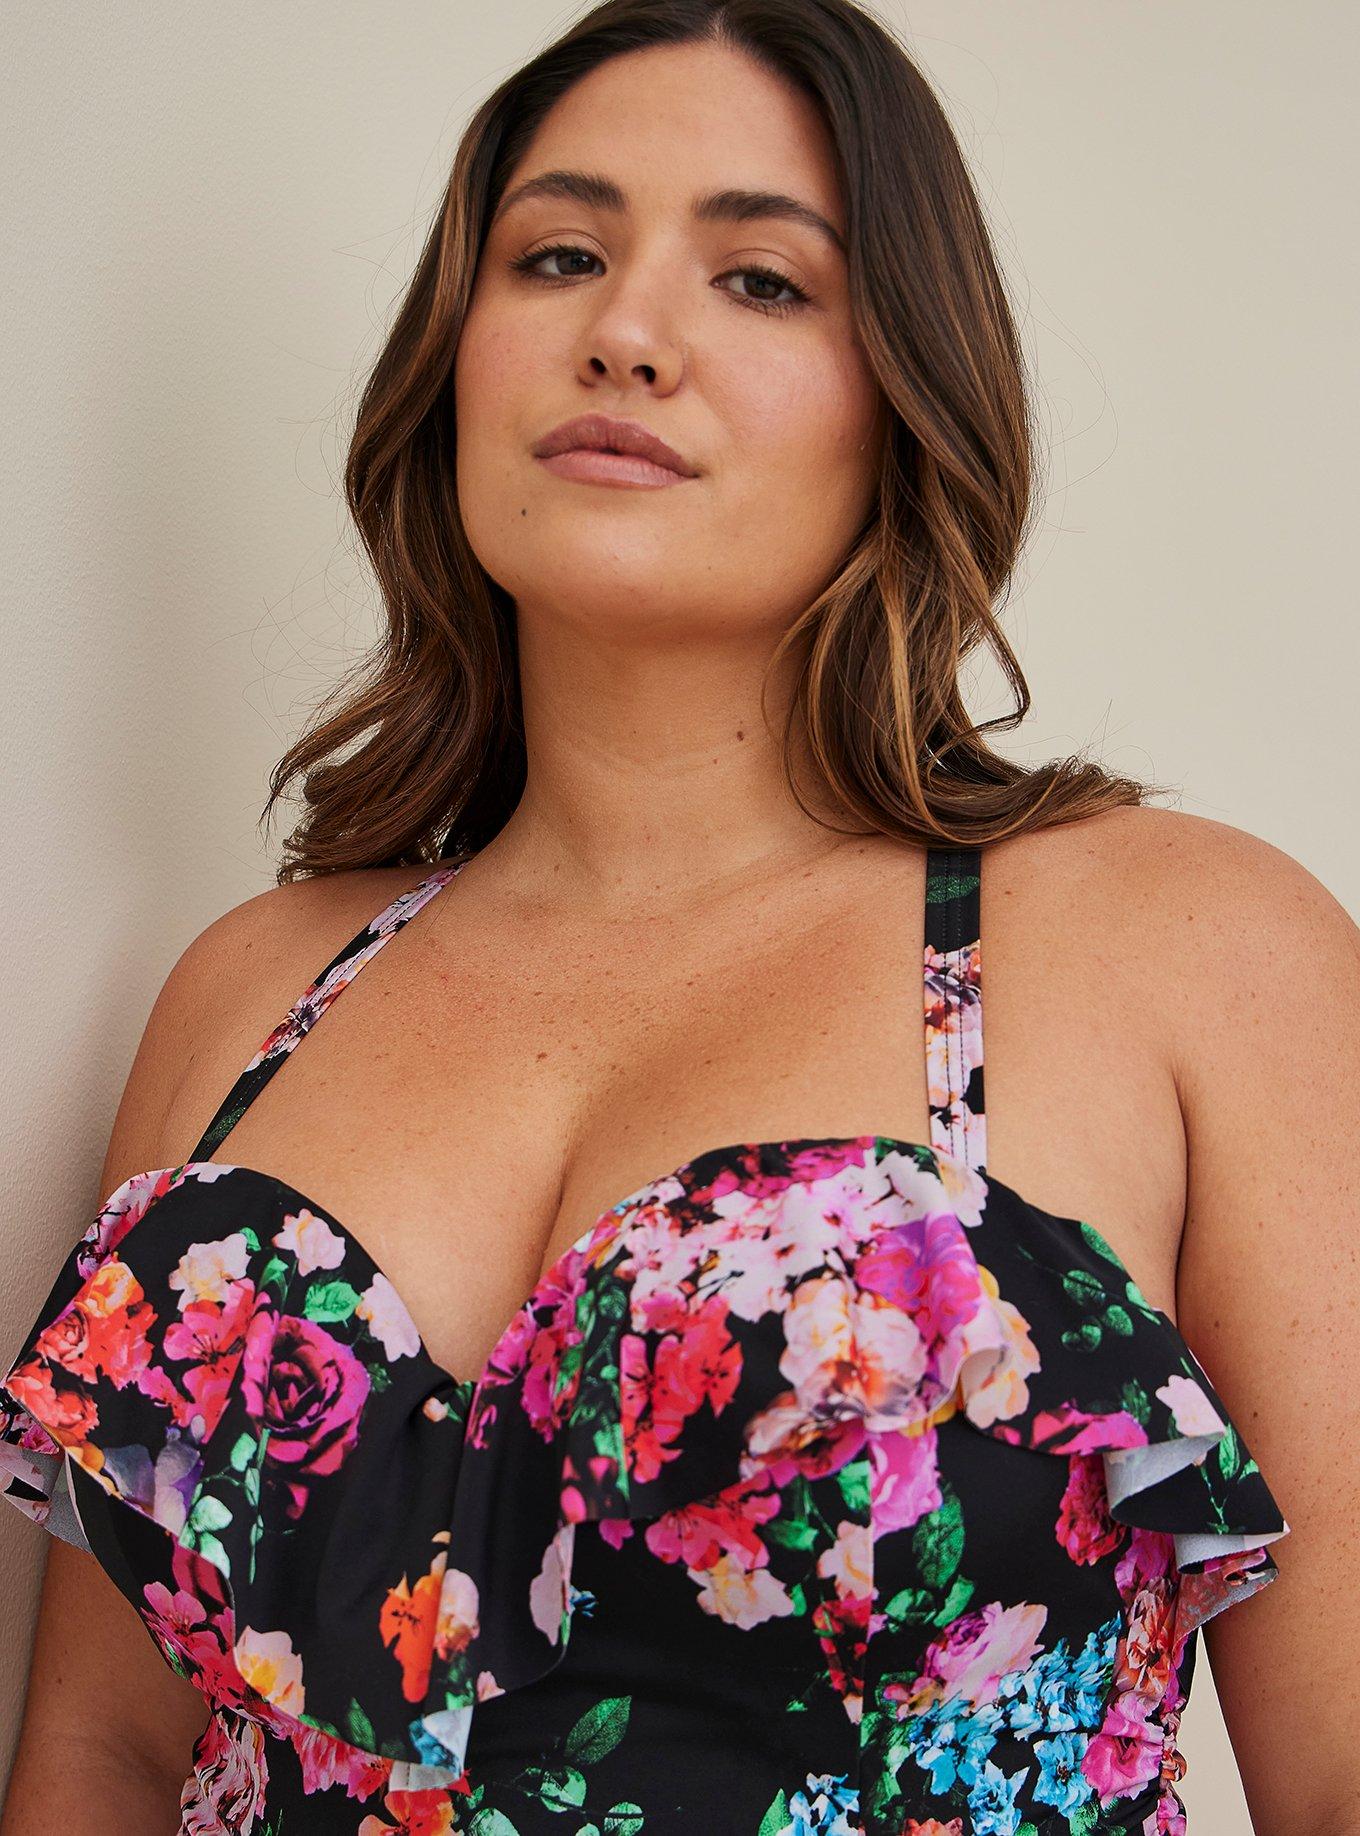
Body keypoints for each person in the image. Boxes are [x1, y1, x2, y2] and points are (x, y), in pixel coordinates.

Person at [1, 2, 1354, 1832]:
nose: (626, 333)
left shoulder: (1195, 951)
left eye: (763, 280)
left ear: (907, 396)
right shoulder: (253, 992)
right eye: (558, 256)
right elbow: (99, 1754)